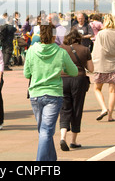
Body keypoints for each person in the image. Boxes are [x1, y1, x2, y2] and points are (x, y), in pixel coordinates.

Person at [24, 24, 78, 161]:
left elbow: (26, 73)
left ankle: (52, 159)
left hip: (36, 93)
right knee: (46, 131)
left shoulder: (31, 51)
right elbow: (74, 71)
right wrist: (58, 69)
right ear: (54, 36)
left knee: (44, 131)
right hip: (53, 94)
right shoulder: (61, 52)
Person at [59, 29, 94, 151]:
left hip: (63, 80)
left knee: (64, 108)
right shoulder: (85, 49)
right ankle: (73, 140)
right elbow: (91, 68)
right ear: (79, 38)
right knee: (77, 108)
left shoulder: (61, 48)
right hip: (79, 80)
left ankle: (63, 137)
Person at [92, 14, 115, 122]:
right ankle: (110, 115)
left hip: (101, 64)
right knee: (112, 91)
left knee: (96, 88)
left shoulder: (101, 33)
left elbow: (96, 50)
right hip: (114, 64)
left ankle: (103, 108)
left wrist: (92, 64)